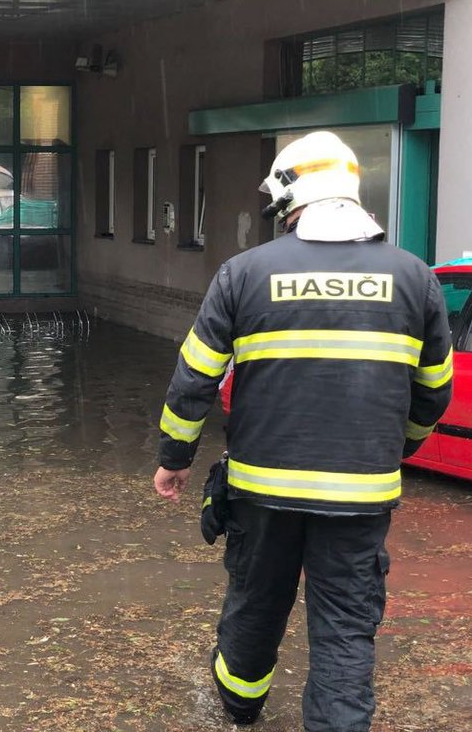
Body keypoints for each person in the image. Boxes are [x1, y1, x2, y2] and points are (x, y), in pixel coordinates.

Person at [152, 131, 453, 730]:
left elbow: (195, 381)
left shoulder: (243, 273)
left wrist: (175, 456)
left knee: (256, 603)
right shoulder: (415, 278)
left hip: (263, 492)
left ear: (291, 202)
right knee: (345, 630)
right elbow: (433, 392)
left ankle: (240, 708)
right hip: (361, 495)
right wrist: (397, 451)